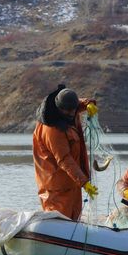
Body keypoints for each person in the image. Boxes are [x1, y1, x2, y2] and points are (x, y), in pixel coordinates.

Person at [32, 84, 99, 220]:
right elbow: (64, 159)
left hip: (72, 183)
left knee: (74, 221)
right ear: (59, 108)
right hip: (56, 187)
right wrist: (84, 182)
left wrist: (88, 104)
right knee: (60, 221)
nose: (71, 114)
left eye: (73, 110)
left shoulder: (69, 111)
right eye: (67, 111)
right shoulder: (53, 129)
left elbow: (76, 103)